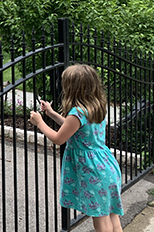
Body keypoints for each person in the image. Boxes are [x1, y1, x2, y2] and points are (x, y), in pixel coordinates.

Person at [29, 64, 123, 232]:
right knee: (112, 216)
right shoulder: (96, 107)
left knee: (101, 221)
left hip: (93, 171)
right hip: (106, 166)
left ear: (72, 88)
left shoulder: (76, 113)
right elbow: (74, 128)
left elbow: (59, 139)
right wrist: (51, 113)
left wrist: (40, 122)